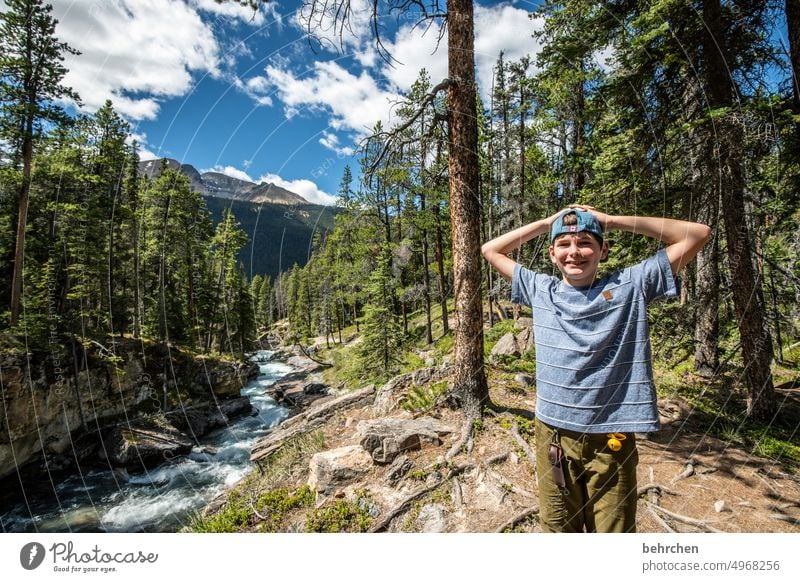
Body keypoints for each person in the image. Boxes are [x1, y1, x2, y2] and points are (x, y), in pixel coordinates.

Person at [481, 205, 711, 532]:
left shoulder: (630, 285)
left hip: (612, 438)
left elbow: (697, 234)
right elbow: (490, 250)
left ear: (603, 250)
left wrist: (613, 221)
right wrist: (548, 223)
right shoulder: (540, 289)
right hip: (554, 436)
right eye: (564, 244)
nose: (574, 252)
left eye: (586, 242)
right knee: (560, 532)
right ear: (551, 253)